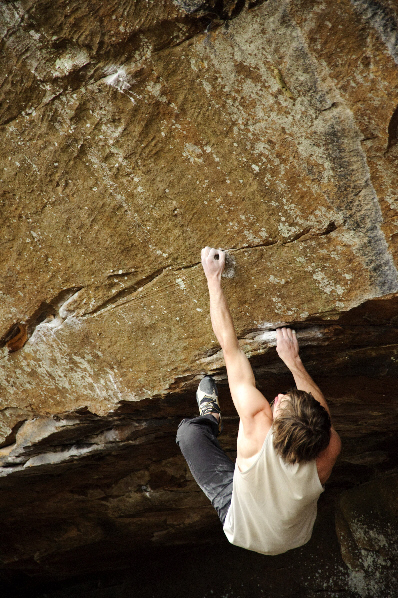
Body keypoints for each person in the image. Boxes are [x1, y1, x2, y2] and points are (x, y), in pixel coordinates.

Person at [176, 246, 341, 555]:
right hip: (293, 536)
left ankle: (209, 418)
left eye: (279, 405)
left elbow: (230, 349)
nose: (277, 396)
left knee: (189, 435)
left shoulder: (255, 427)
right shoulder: (327, 450)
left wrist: (213, 279)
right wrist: (293, 362)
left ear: (273, 428)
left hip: (240, 523)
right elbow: (323, 418)